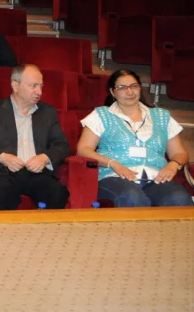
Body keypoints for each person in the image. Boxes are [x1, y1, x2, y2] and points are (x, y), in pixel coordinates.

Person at [76, 69, 190, 208]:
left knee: (179, 197)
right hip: (114, 176)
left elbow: (180, 153)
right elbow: (83, 149)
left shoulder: (161, 116)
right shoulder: (101, 115)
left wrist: (173, 165)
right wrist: (113, 164)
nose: (129, 92)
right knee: (132, 197)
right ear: (112, 92)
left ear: (140, 88)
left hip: (155, 177)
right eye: (122, 87)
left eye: (134, 86)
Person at [0, 65, 70, 210]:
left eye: (41, 86)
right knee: (2, 189)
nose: (39, 92)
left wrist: (44, 158)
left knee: (58, 192)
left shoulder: (48, 113)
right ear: (15, 85)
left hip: (36, 173)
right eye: (33, 86)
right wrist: (2, 157)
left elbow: (62, 145)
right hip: (2, 172)